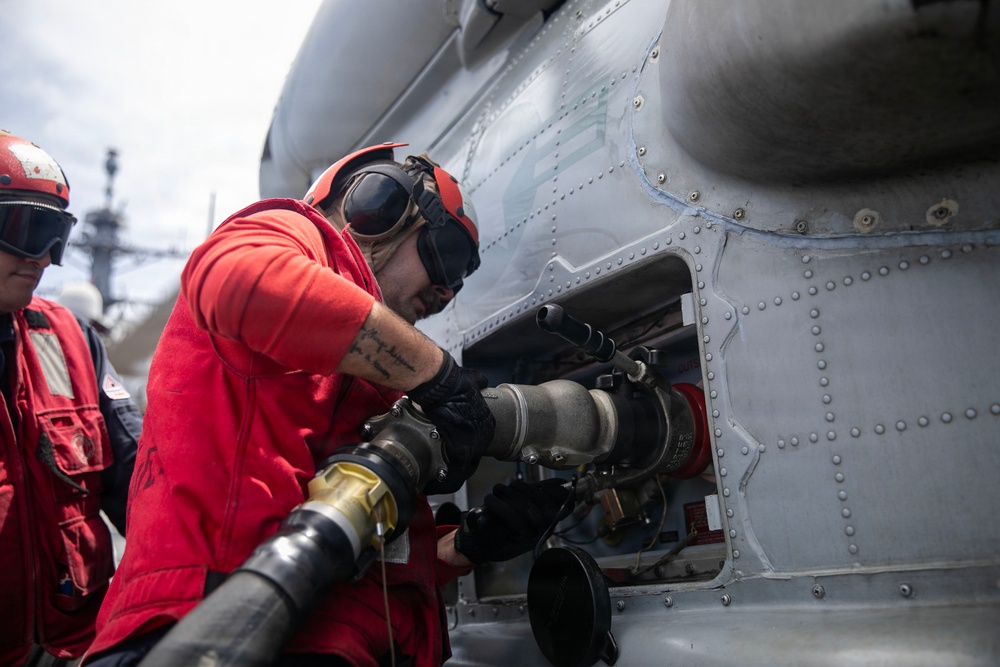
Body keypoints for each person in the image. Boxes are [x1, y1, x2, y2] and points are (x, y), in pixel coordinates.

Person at [85, 143, 570, 667]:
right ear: (377, 208)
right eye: (446, 255)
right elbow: (236, 277)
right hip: (208, 629)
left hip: (324, 638)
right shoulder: (296, 235)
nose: (445, 292)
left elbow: (349, 542)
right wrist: (436, 373)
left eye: (459, 279)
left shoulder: (368, 366)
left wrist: (463, 548)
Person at [0, 130, 141, 666]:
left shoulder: (73, 341)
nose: (43, 258)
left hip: (81, 648)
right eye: (24, 230)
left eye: (55, 236)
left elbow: (140, 480)